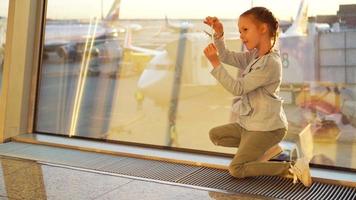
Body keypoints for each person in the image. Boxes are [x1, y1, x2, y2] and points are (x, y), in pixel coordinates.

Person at [203, 7, 312, 187]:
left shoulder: (270, 63)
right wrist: (219, 34)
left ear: (263, 29)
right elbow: (226, 56)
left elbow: (238, 88)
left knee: (236, 169)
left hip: (267, 128)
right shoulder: (256, 55)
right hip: (250, 125)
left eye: (245, 30)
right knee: (215, 135)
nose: (241, 35)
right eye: (239, 31)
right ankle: (266, 149)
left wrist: (214, 63)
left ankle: (291, 167)